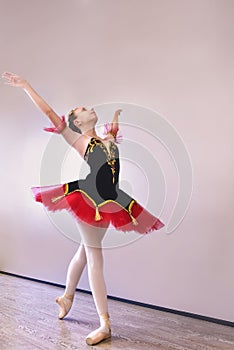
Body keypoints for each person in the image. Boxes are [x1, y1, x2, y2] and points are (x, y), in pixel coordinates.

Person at [2, 71, 165, 346]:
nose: (90, 108)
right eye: (83, 109)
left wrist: (115, 119)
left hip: (111, 201)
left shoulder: (107, 141)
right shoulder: (81, 141)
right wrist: (26, 86)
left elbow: (112, 134)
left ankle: (66, 298)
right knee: (95, 257)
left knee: (84, 252)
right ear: (77, 122)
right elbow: (51, 113)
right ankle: (105, 323)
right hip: (88, 200)